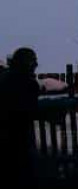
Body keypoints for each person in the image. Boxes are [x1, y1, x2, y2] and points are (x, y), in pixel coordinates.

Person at [0, 47, 40, 188]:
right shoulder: (25, 82)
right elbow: (29, 109)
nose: (36, 65)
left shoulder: (6, 78)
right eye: (33, 61)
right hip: (18, 138)